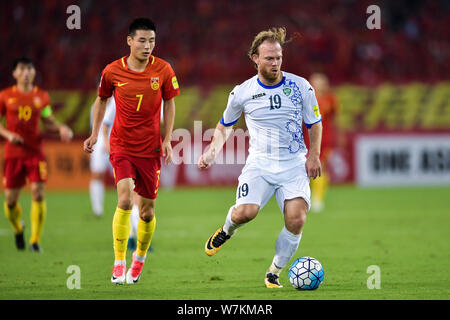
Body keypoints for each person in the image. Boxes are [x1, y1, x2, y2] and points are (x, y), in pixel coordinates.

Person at [198, 27, 322, 288]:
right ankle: (226, 230)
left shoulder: (301, 86)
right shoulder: (242, 92)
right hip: (260, 164)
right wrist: (212, 151)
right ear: (255, 58)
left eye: (278, 57)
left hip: (293, 164)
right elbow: (225, 125)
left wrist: (313, 155)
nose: (275, 63)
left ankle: (273, 272)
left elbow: (315, 123)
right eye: (269, 58)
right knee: (246, 213)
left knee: (297, 217)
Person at [84, 18, 179, 285]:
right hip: (121, 146)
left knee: (147, 212)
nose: (148, 46)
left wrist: (168, 138)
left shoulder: (163, 69)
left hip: (149, 150)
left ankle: (139, 259)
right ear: (129, 41)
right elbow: (101, 100)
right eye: (142, 40)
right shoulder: (113, 71)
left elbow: (170, 104)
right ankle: (118, 262)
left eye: (152, 41)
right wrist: (94, 134)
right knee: (125, 200)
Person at [0, 57, 73, 252]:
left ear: (33, 73)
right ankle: (18, 228)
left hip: (35, 153)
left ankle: (34, 240)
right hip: (13, 154)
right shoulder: (5, 96)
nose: (26, 72)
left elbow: (48, 120)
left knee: (38, 193)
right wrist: (8, 134)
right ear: (15, 73)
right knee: (10, 201)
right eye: (22, 69)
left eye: (29, 69)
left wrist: (61, 128)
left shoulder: (42, 96)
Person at [89, 98, 141, 250]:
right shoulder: (99, 104)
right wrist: (103, 141)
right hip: (106, 144)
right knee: (99, 175)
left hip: (124, 145)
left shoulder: (125, 98)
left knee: (131, 191)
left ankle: (133, 236)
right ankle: (98, 210)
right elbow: (100, 125)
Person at [308, 72, 340, 212]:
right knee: (304, 170)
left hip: (325, 138)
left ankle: (317, 199)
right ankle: (307, 197)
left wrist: (339, 135)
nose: (318, 85)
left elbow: (335, 118)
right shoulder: (306, 98)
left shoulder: (331, 99)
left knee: (321, 166)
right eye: (315, 82)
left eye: (321, 82)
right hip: (306, 138)